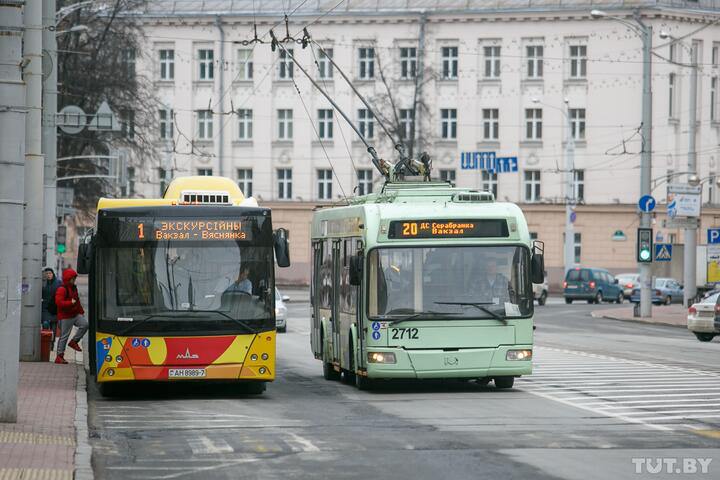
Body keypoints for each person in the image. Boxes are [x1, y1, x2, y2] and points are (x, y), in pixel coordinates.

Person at [54, 268, 89, 364]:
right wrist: (70, 303)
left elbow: (77, 301)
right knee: (64, 336)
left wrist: (81, 312)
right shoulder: (62, 289)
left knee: (85, 324)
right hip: (65, 316)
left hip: (75, 314)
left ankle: (74, 342)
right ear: (68, 279)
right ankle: (59, 356)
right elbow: (58, 302)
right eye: (72, 279)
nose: (74, 280)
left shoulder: (74, 287)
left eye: (74, 278)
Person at [41, 267, 62, 340]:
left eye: (50, 273)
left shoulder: (58, 283)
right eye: (46, 273)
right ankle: (46, 342)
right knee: (45, 324)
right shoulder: (43, 283)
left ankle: (52, 344)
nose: (48, 275)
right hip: (45, 307)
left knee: (53, 327)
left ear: (53, 274)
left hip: (55, 308)